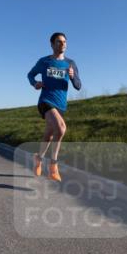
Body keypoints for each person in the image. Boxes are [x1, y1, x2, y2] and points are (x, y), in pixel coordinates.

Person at [27, 32, 81, 182]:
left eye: (64, 42)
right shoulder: (44, 62)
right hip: (45, 101)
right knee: (61, 128)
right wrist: (35, 83)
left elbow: (78, 85)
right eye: (58, 42)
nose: (62, 44)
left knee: (49, 135)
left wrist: (72, 76)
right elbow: (30, 75)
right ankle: (53, 166)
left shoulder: (71, 63)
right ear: (52, 45)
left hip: (61, 105)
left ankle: (38, 158)